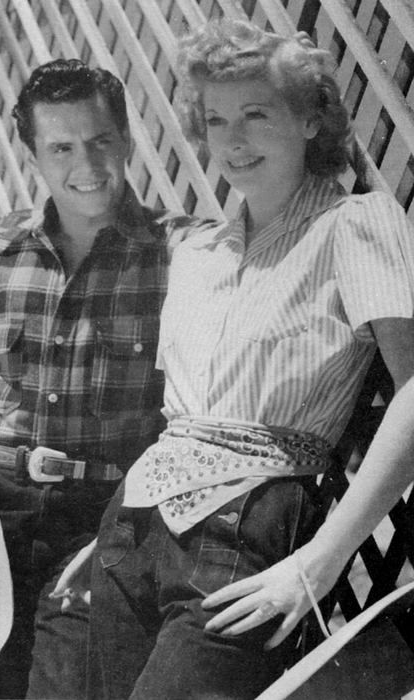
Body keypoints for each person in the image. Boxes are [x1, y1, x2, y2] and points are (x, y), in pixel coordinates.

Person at [54, 18, 414, 700]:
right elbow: (176, 418)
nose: (233, 141)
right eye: (217, 120)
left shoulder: (355, 226)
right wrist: (122, 525)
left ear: (310, 120)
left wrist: (319, 562)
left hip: (248, 534)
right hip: (131, 530)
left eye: (256, 114)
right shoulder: (198, 254)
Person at [0, 58, 213, 699]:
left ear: (128, 139)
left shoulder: (182, 254)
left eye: (100, 140)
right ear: (33, 154)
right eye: (61, 147)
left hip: (100, 518)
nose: (86, 164)